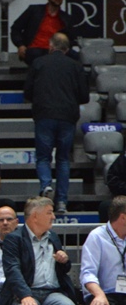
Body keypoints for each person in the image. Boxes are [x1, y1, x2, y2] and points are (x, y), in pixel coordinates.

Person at [23, 31, 89, 215]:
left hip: (44, 115)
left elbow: (27, 92)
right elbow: (84, 96)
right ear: (67, 49)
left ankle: (46, 186)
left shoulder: (38, 63)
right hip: (67, 117)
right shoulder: (75, 66)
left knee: (43, 157)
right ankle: (61, 202)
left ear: (50, 46)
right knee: (63, 159)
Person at [11, 0, 77, 66]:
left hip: (56, 51)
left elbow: (71, 39)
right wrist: (20, 45)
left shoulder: (66, 18)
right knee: (36, 54)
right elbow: (16, 28)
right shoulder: (34, 10)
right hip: (34, 49)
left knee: (75, 56)